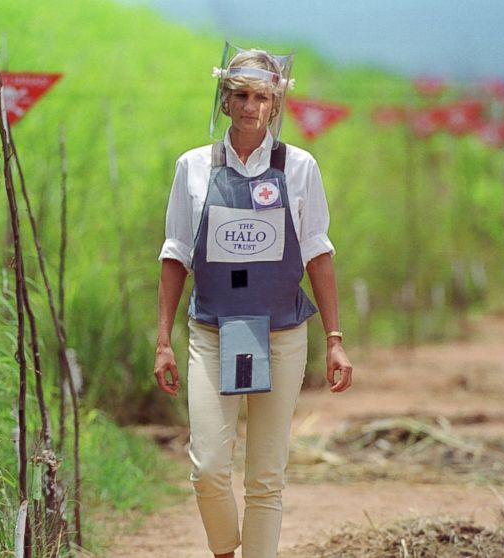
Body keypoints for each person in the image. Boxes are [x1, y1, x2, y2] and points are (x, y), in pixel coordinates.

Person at [153, 46, 353, 558]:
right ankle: (224, 551)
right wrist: (162, 341)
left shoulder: (300, 167)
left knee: (266, 474)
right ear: (225, 100)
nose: (249, 107)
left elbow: (318, 253)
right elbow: (175, 254)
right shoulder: (193, 167)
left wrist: (334, 340)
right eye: (240, 95)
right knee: (209, 467)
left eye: (261, 97)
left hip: (281, 333)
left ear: (275, 103)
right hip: (213, 332)